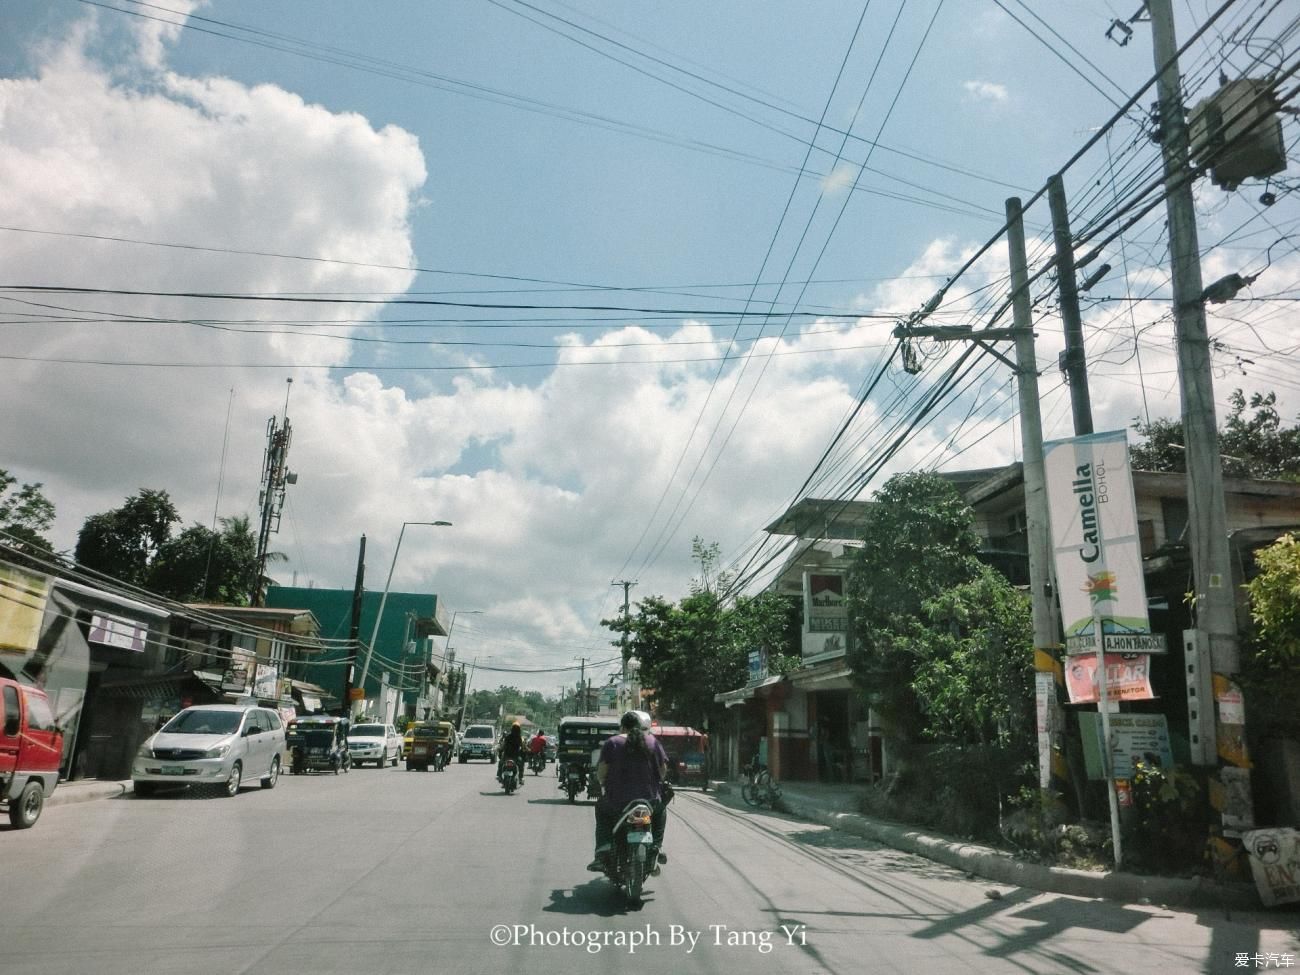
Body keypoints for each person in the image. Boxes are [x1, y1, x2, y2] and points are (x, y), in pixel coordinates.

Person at [587, 710, 669, 872]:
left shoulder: (613, 743)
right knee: (661, 811)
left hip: (617, 801)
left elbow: (602, 771)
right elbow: (662, 770)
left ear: (622, 727)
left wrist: (603, 784)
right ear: (639, 727)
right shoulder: (652, 742)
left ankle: (602, 852)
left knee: (601, 810)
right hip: (650, 800)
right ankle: (657, 847)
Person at [498, 722, 526, 788]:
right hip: (515, 756)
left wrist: (500, 750)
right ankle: (521, 778)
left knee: (501, 763)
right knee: (521, 765)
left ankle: (499, 776)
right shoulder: (519, 738)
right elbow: (523, 747)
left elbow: (503, 746)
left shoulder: (508, 737)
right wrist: (525, 751)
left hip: (507, 756)